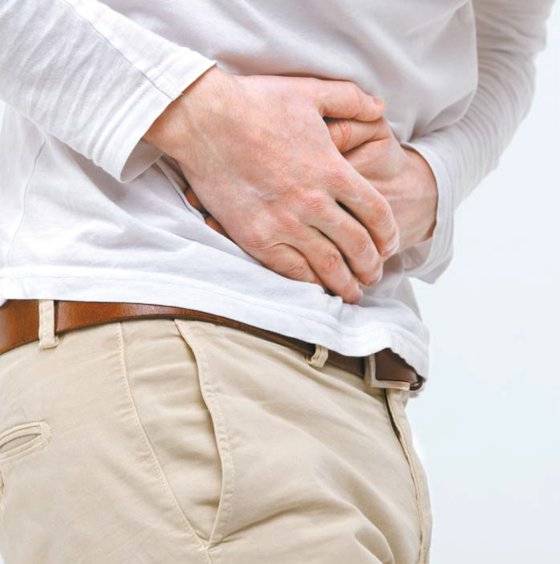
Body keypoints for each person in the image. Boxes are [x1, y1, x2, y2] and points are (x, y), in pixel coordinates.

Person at [0, 1, 553, 562]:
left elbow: (507, 35)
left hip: (365, 399)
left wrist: (433, 179)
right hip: (171, 338)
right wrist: (191, 115)